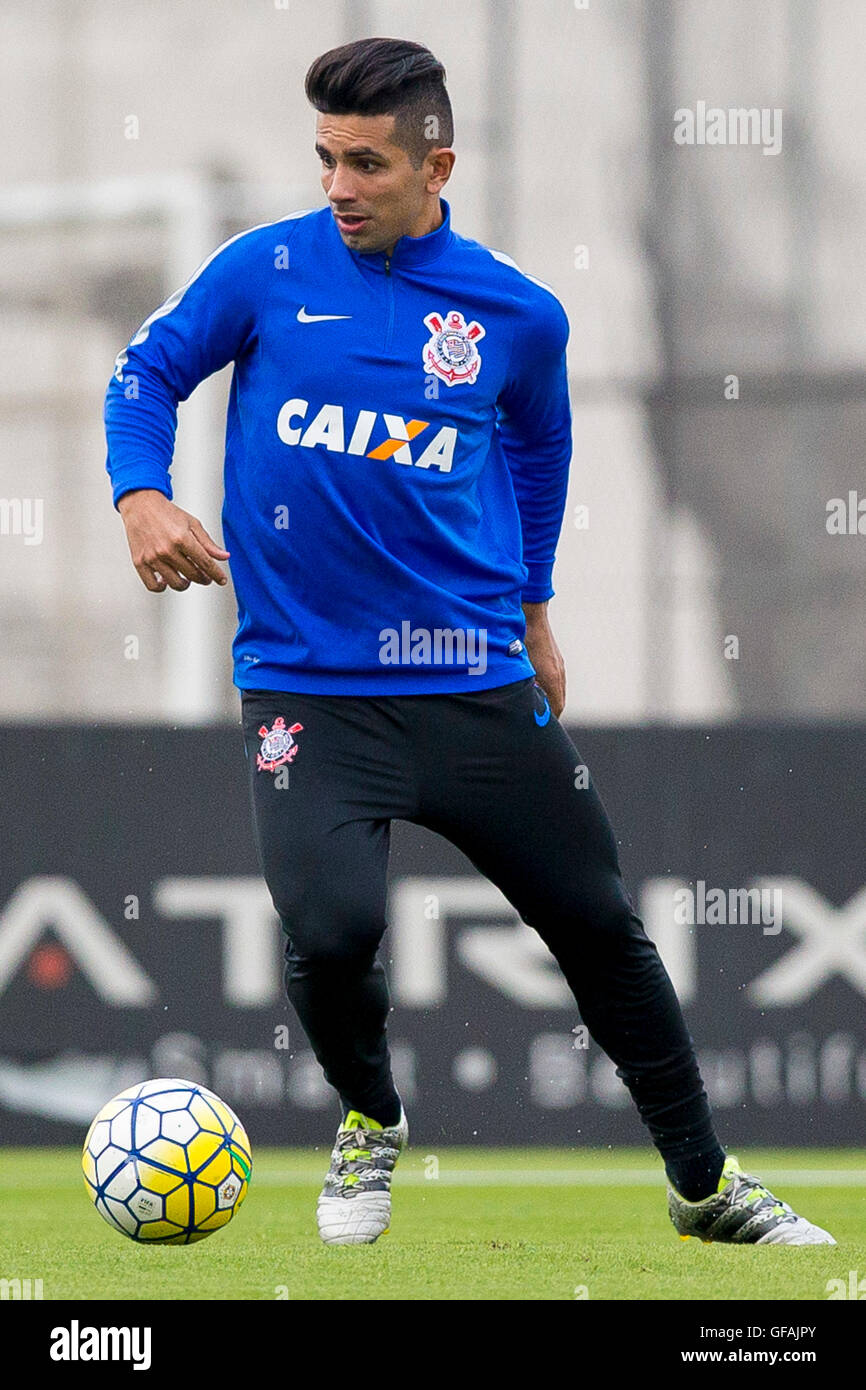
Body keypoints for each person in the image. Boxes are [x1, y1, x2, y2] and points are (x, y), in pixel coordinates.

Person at [104, 36, 834, 1248]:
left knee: (599, 926)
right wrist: (141, 493)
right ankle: (371, 1119)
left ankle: (705, 1186)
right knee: (331, 930)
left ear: (436, 163)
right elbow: (145, 377)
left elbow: (542, 454)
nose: (338, 186)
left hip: (471, 677)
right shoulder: (262, 270)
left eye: (367, 164)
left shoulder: (515, 314)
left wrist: (536, 604)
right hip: (305, 691)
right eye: (326, 159)